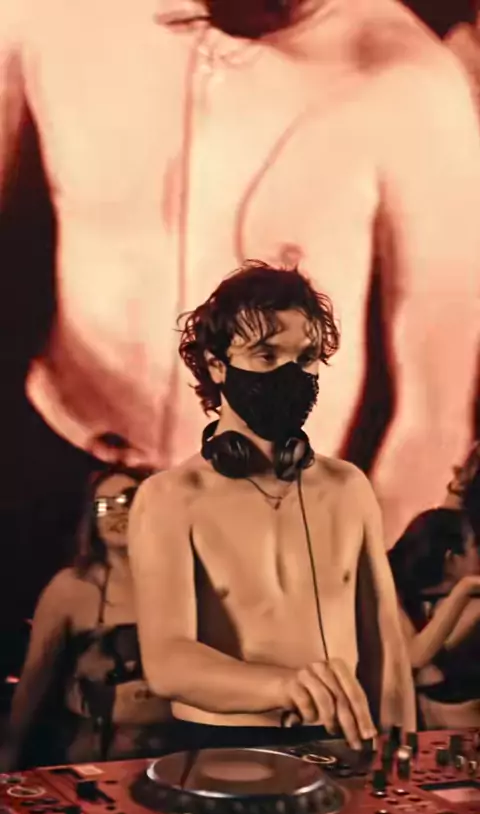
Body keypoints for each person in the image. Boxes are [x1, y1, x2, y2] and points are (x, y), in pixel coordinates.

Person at [1, 0, 479, 551]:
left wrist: (363, 582)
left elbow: (433, 421)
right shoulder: (45, 16)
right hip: (55, 472)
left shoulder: (414, 89)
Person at [128, 263, 416, 754]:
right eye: (266, 355)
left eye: (305, 358)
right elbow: (168, 662)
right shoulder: (169, 498)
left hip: (342, 744)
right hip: (223, 749)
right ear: (217, 365)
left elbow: (384, 643)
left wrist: (401, 756)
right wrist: (284, 686)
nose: (290, 373)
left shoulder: (348, 488)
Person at [0, 467, 171, 771]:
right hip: (95, 758)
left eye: (127, 499)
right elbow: (34, 682)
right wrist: (9, 757)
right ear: (93, 521)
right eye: (104, 505)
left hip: (174, 755)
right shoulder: (72, 588)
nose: (117, 512)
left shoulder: (183, 582)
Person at [389, 503, 480, 729]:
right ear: (451, 559)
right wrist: (465, 589)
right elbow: (414, 657)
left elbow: (441, 646)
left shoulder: (438, 596)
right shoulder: (387, 587)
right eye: (475, 547)